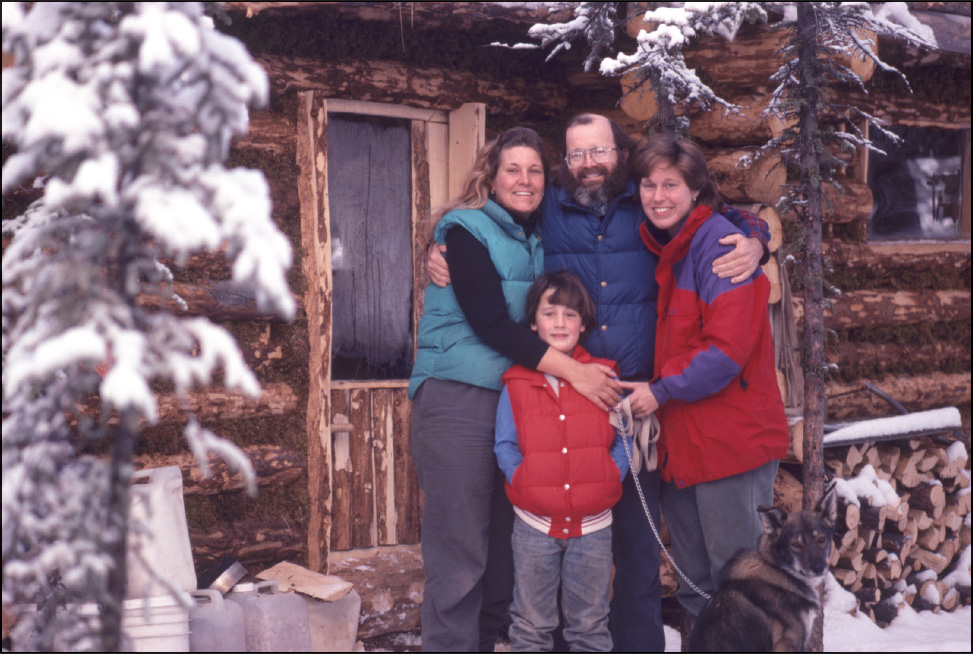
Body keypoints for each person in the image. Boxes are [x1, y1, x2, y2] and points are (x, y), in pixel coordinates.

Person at [428, 114, 768, 650]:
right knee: (559, 550)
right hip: (567, 391)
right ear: (565, 163)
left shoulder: (647, 203)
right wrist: (438, 240)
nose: (589, 165)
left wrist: (756, 236)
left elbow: (712, 213)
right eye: (577, 154)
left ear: (619, 153)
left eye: (600, 152)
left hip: (639, 398)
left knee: (635, 556)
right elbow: (484, 219)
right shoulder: (550, 211)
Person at [408, 127, 621, 652]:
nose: (523, 181)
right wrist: (576, 373)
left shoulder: (536, 237)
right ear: (491, 175)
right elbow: (491, 323)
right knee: (460, 552)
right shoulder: (463, 230)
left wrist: (753, 233)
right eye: (512, 170)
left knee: (506, 553)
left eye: (533, 171)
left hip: (516, 400)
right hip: (458, 397)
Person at [626, 135, 789, 619]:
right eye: (648, 183)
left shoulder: (722, 247)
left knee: (740, 591)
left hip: (729, 444)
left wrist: (659, 390)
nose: (657, 195)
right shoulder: (671, 244)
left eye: (670, 184)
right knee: (697, 590)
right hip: (685, 446)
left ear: (696, 189)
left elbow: (724, 352)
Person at [494, 271, 628, 652]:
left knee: (589, 624)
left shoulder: (604, 375)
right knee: (531, 623)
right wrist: (523, 479)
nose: (559, 323)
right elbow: (505, 444)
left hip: (593, 527)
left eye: (570, 315)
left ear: (583, 323)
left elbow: (624, 439)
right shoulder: (516, 381)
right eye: (549, 313)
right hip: (534, 525)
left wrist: (608, 477)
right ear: (533, 322)